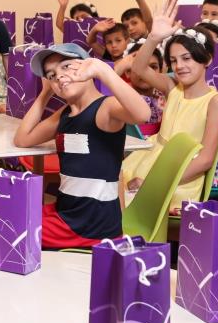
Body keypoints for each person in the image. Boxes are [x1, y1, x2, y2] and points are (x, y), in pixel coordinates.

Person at [14, 43, 150, 248]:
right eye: (51, 75)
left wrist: (103, 71)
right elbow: (23, 139)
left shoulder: (105, 107)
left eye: (66, 66)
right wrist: (45, 94)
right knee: (10, 211)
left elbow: (143, 114)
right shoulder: (66, 113)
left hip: (89, 226)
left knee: (10, 226)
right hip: (67, 212)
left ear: (87, 67)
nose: (59, 76)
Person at [120, 1, 218, 208]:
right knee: (114, 195)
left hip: (181, 175)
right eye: (173, 60)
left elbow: (206, 159)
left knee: (132, 204)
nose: (179, 66)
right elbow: (138, 69)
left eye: (186, 58)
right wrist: (153, 38)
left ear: (207, 59)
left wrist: (157, 182)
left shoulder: (216, 101)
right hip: (150, 159)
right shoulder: (172, 86)